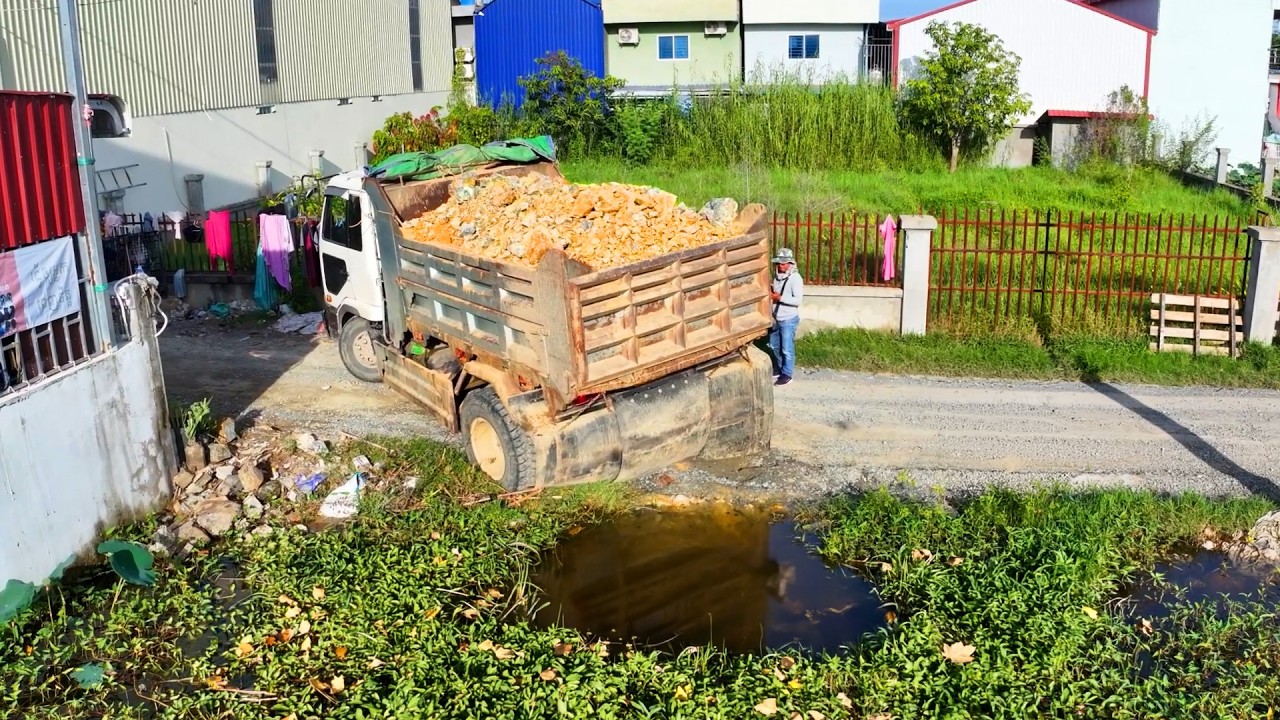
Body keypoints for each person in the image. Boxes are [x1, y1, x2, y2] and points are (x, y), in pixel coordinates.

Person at [768, 248, 803, 386]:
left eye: (783, 264)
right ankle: (780, 368)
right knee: (773, 345)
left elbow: (797, 300)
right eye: (778, 263)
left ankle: (787, 374)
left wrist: (780, 298)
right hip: (777, 317)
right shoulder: (777, 276)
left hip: (789, 318)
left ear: (790, 263)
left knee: (787, 348)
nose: (780, 266)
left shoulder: (795, 278)